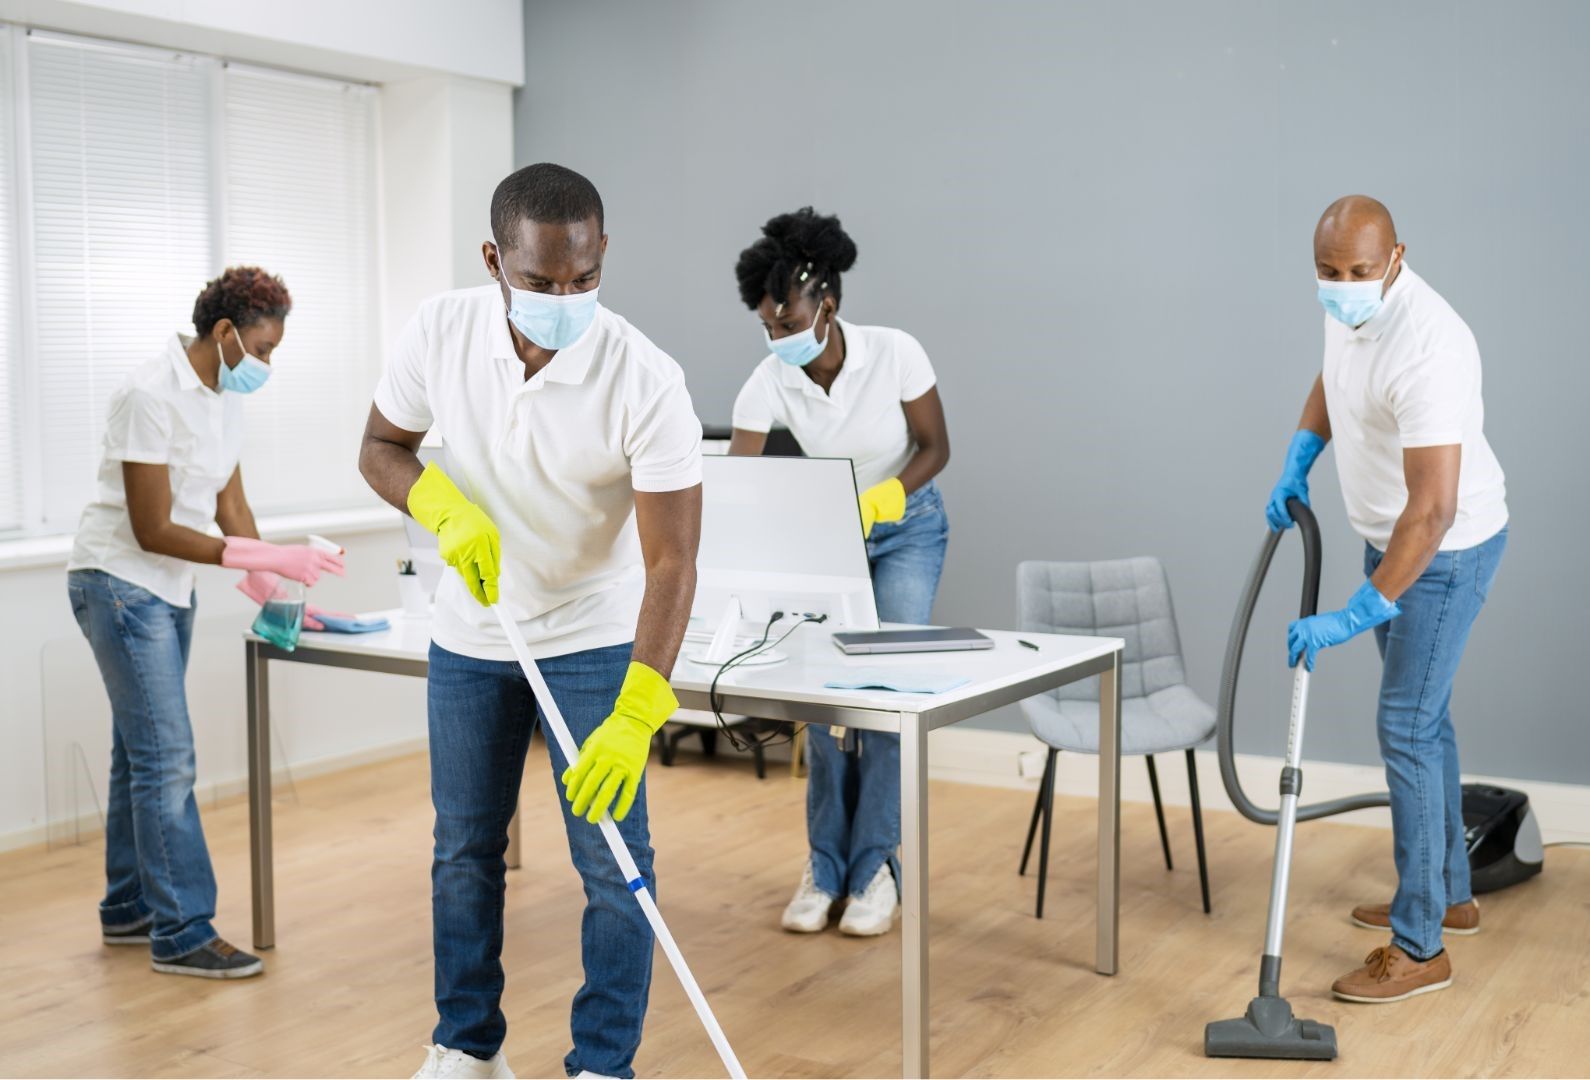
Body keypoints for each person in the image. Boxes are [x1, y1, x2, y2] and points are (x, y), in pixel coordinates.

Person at [359, 163, 703, 1080]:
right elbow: (382, 446)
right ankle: (466, 1046)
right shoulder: (440, 331)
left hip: (591, 636)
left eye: (585, 278)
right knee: (464, 851)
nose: (565, 300)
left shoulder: (646, 378)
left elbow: (673, 561)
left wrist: (639, 710)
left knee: (614, 862)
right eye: (541, 282)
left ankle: (603, 1064)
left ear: (603, 253)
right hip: (472, 635)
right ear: (493, 261)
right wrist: (439, 507)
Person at [66, 267, 345, 978]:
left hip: (169, 588)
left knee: (139, 753)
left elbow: (231, 510)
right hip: (119, 583)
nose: (267, 363)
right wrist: (264, 556)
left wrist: (279, 593)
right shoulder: (147, 394)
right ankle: (182, 930)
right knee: (168, 758)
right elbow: (153, 528)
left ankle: (129, 908)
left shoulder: (224, 400)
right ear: (225, 332)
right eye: (264, 348)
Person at [1267, 195, 1508, 1004]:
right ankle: (1449, 897)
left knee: (1405, 726)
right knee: (1425, 722)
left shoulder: (1430, 344)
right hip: (1392, 540)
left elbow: (1433, 512)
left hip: (1444, 551)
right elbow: (1333, 378)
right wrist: (1300, 455)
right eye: (1328, 272)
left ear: (1396, 258)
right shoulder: (1351, 303)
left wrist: (1357, 610)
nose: (1342, 286)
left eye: (1359, 272)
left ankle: (1420, 946)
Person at [728, 207, 951, 938]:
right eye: (768, 326)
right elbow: (740, 485)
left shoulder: (895, 352)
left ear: (827, 303)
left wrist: (885, 498)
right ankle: (824, 866)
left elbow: (935, 446)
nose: (779, 338)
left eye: (789, 322)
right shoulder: (769, 382)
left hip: (908, 529)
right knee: (826, 701)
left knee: (885, 695)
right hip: (830, 543)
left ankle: (875, 868)